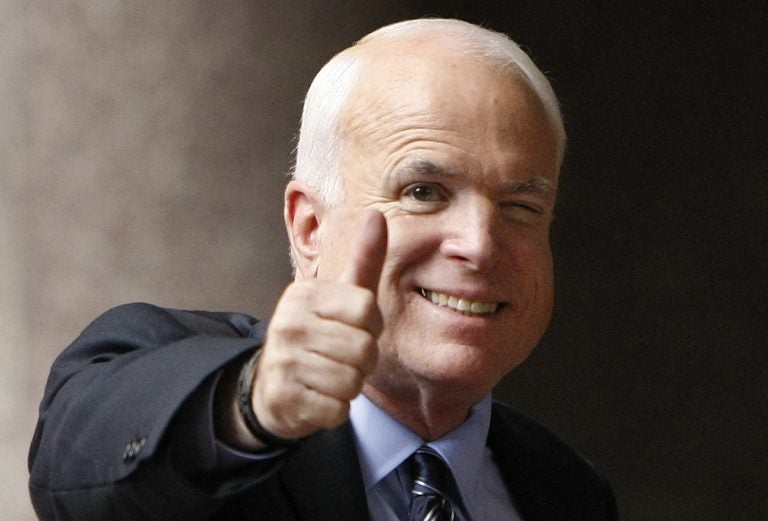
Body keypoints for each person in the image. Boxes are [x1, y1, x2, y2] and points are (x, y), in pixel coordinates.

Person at [28, 18, 618, 521]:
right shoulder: (196, 397)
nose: (479, 244)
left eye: (520, 207)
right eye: (423, 191)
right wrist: (251, 408)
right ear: (310, 228)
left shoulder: (567, 489)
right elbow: (79, 467)